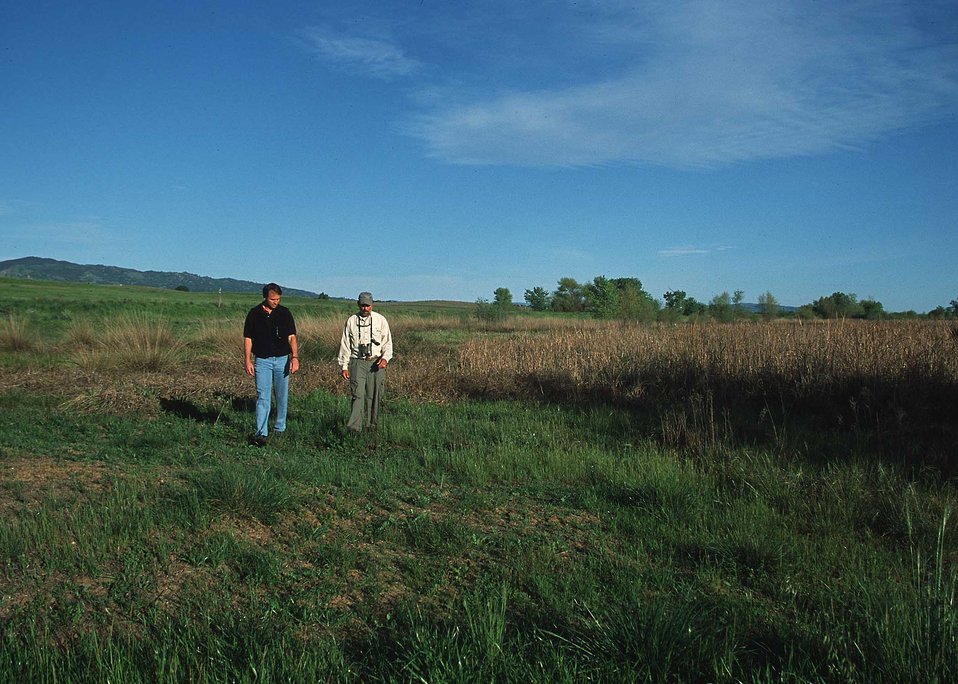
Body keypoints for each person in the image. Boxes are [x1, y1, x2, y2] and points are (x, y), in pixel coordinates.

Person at [243, 283, 299, 446]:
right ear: (265, 297)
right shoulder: (254, 314)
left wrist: (295, 357)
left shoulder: (285, 313)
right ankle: (261, 433)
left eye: (278, 299)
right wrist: (247, 360)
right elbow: (248, 339)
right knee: (262, 396)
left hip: (282, 359)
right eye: (273, 299)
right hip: (262, 360)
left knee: (281, 395)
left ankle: (280, 427)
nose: (276, 302)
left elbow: (292, 337)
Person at [337, 291, 393, 433]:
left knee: (373, 396)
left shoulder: (381, 320)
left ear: (372, 305)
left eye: (368, 306)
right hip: (357, 362)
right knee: (358, 395)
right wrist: (344, 366)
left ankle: (371, 427)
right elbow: (345, 344)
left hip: (376, 363)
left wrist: (385, 358)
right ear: (358, 304)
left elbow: (387, 343)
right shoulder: (351, 321)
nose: (365, 309)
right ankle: (354, 429)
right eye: (362, 305)